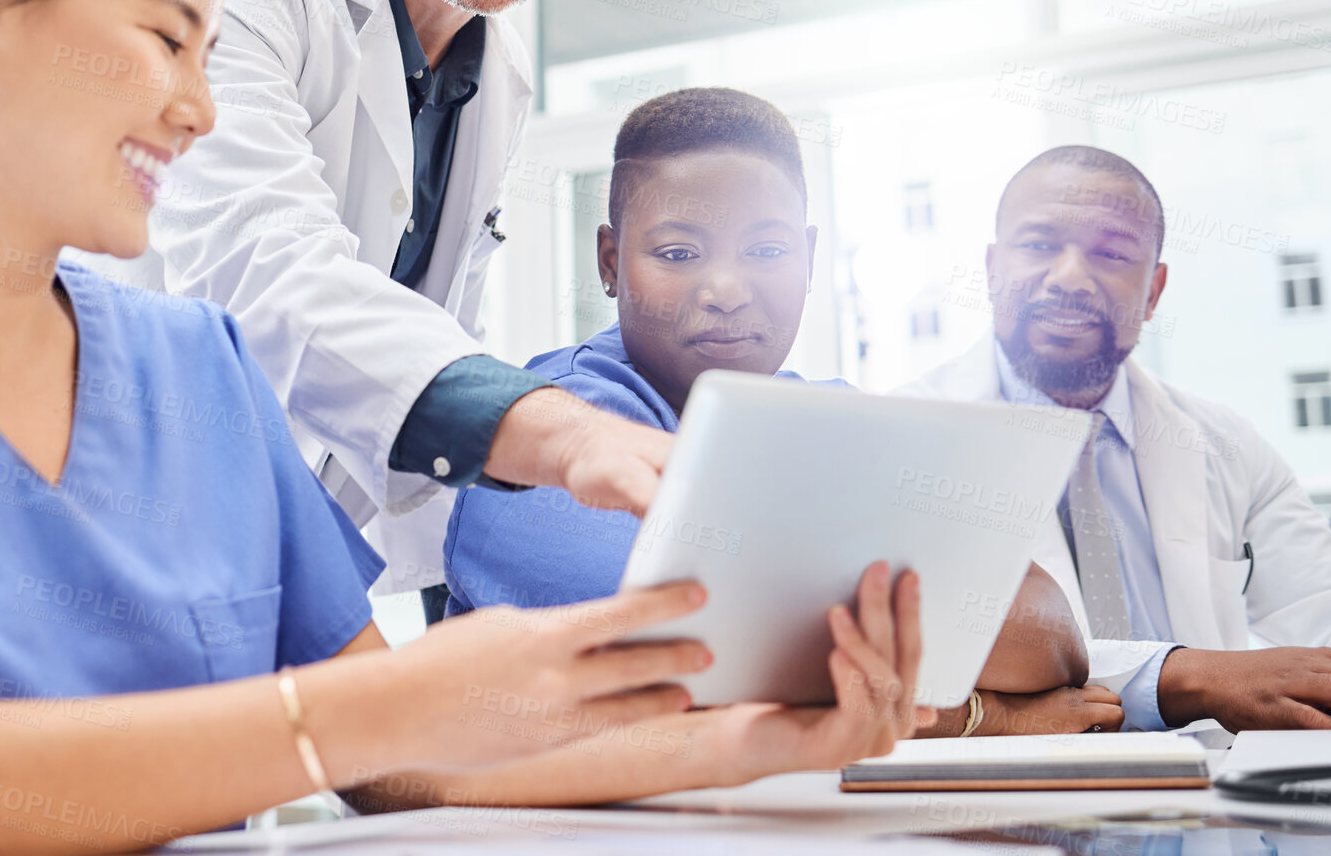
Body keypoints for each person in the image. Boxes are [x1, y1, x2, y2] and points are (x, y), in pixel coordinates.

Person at [0, 0, 927, 856]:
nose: (198, 108)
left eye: (211, 57)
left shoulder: (189, 365)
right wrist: (387, 704)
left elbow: (402, 757)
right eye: (167, 38)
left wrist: (752, 741)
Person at [73, 0, 673, 618]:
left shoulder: (496, 71)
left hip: (281, 551)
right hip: (115, 505)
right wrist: (547, 431)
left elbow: (428, 336)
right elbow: (263, 269)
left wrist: (465, 587)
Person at [444, 88, 1121, 739]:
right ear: (610, 262)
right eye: (678, 253)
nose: (727, 290)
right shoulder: (548, 433)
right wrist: (985, 718)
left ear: (808, 258)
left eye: (766, 251)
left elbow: (1050, 640)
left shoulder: (837, 417)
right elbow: (684, 692)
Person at [899, 145, 1331, 732]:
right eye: (1039, 245)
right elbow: (930, 659)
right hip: (1007, 806)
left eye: (1112, 252)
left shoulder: (1225, 443)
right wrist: (1193, 677)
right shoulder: (906, 434)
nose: (1070, 277)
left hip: (1213, 803)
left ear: (1153, 291)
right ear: (993, 269)